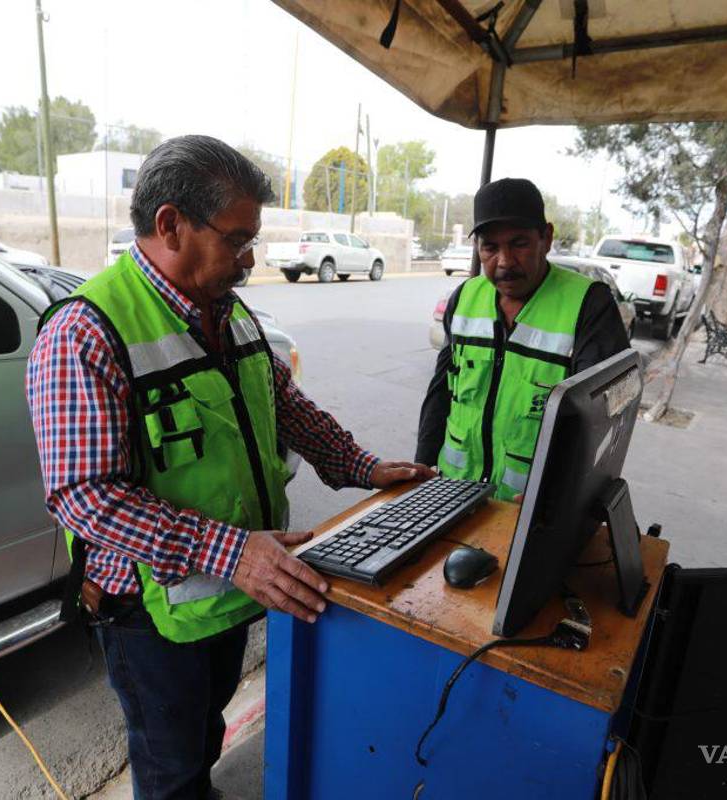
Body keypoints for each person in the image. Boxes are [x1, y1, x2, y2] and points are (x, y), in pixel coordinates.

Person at [26, 134, 432, 800]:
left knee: (203, 737)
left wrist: (361, 465)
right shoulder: (86, 332)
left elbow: (282, 405)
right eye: (238, 240)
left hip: (225, 592)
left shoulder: (228, 311)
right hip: (151, 611)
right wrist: (233, 552)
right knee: (170, 768)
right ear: (170, 225)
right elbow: (83, 495)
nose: (248, 260)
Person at [416, 177, 630, 500]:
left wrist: (560, 497)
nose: (504, 261)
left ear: (546, 237)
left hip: (531, 509)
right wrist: (423, 466)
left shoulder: (588, 305)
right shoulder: (464, 298)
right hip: (452, 492)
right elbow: (441, 392)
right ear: (478, 248)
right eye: (490, 247)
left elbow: (604, 420)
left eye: (519, 243)